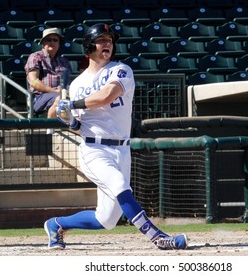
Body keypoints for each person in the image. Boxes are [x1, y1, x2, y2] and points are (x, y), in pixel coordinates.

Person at [44, 23, 188, 250]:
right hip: (94, 150)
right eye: (101, 40)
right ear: (89, 47)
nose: (107, 44)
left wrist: (70, 104)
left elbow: (107, 95)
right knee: (121, 187)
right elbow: (76, 124)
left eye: (109, 40)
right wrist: (68, 118)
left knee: (107, 220)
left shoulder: (120, 70)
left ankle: (56, 224)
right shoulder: (77, 84)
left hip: (122, 149)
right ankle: (159, 238)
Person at [24, 27, 72, 126]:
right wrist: (54, 91)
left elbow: (68, 82)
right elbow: (33, 81)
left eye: (55, 40)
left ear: (59, 43)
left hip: (62, 94)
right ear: (43, 42)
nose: (52, 42)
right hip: (39, 97)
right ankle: (50, 131)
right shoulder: (36, 56)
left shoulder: (64, 61)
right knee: (60, 100)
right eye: (48, 40)